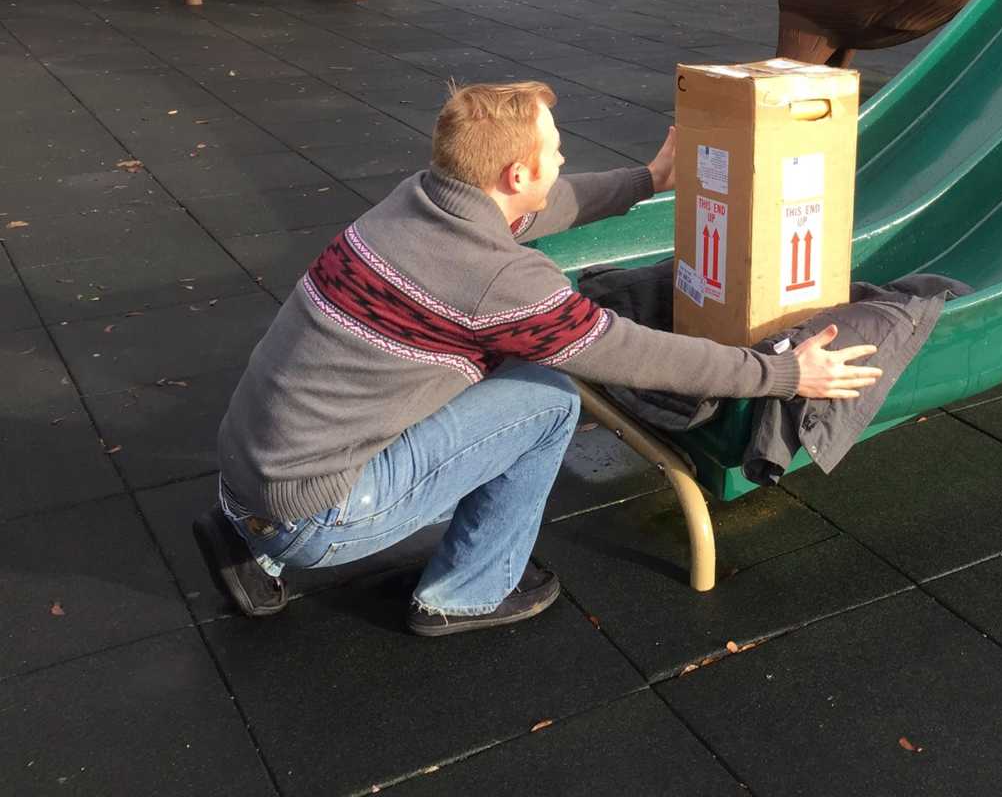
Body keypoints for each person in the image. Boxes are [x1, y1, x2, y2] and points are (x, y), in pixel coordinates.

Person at [194, 81, 881, 636]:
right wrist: (783, 373)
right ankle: (466, 593)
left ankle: (248, 543)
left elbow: (540, 211)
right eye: (554, 154)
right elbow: (633, 354)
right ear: (516, 171)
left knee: (494, 374)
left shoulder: (422, 198)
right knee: (550, 398)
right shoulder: (501, 284)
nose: (561, 162)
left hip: (249, 475)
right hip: (315, 515)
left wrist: (649, 177)